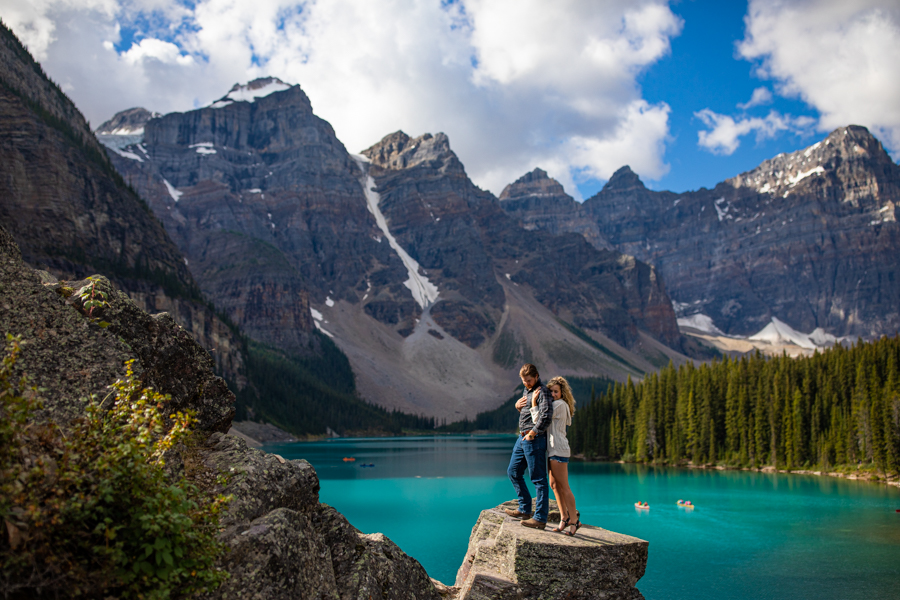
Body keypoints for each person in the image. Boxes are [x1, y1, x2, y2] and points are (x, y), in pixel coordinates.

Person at [505, 363, 552, 529]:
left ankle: (540, 518)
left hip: (534, 438)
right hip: (522, 437)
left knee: (538, 479)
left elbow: (546, 416)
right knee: (513, 471)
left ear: (537, 376)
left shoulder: (543, 391)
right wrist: (518, 407)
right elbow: (530, 414)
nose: (527, 383)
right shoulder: (527, 390)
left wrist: (534, 432)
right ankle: (524, 509)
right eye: (524, 381)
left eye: (529, 380)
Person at [537, 376, 581, 536]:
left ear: (562, 393)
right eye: (551, 392)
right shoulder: (558, 405)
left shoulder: (559, 405)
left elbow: (539, 418)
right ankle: (564, 518)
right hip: (554, 449)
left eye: (556, 391)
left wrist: (534, 404)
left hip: (559, 449)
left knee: (564, 486)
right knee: (554, 485)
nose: (553, 394)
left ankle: (574, 520)